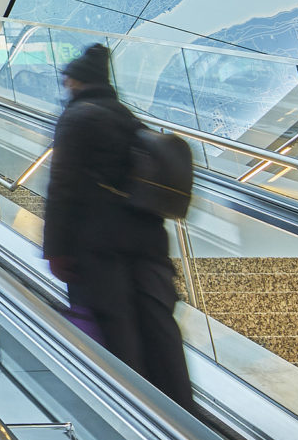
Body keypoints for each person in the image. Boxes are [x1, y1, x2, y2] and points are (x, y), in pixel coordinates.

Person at [43, 43, 193, 410]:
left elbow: (62, 186)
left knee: (117, 323)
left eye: (68, 80)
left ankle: (134, 407)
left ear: (78, 82)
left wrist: (56, 249)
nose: (66, 86)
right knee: (158, 325)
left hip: (98, 243)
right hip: (147, 239)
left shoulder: (76, 118)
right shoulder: (127, 117)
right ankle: (180, 410)